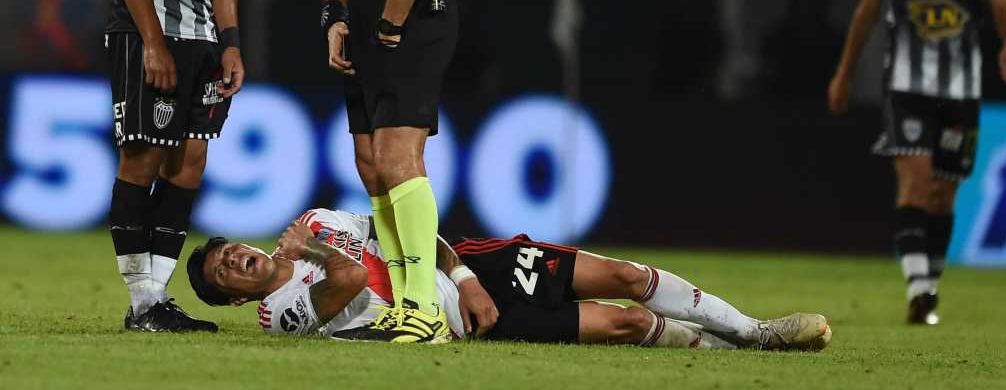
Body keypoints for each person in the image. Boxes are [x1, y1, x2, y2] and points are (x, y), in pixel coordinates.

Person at [186, 208, 833, 351]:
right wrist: (318, 254)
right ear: (238, 301)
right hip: (465, 324)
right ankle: (730, 351)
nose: (234, 260)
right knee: (629, 323)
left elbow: (410, 231)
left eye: (228, 251)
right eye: (224, 274)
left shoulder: (320, 218)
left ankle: (757, 330)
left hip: (476, 269)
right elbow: (353, 274)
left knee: (626, 276)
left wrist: (464, 273)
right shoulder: (281, 316)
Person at [828, 0, 1006, 324]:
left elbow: (1001, 4)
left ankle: (928, 286)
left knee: (943, 193)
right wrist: (844, 72)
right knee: (915, 178)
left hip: (961, 87)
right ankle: (918, 290)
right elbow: (867, 10)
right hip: (906, 85)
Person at [318, 0, 458, 342]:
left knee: (396, 158)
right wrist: (335, 15)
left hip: (409, 3)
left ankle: (424, 309)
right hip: (363, 11)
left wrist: (392, 20)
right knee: (372, 166)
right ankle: (401, 306)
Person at [106, 0, 246, 332]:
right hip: (146, 33)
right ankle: (142, 302)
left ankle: (156, 298)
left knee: (190, 161)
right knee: (143, 158)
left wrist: (230, 41)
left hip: (205, 37)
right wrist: (152, 42)